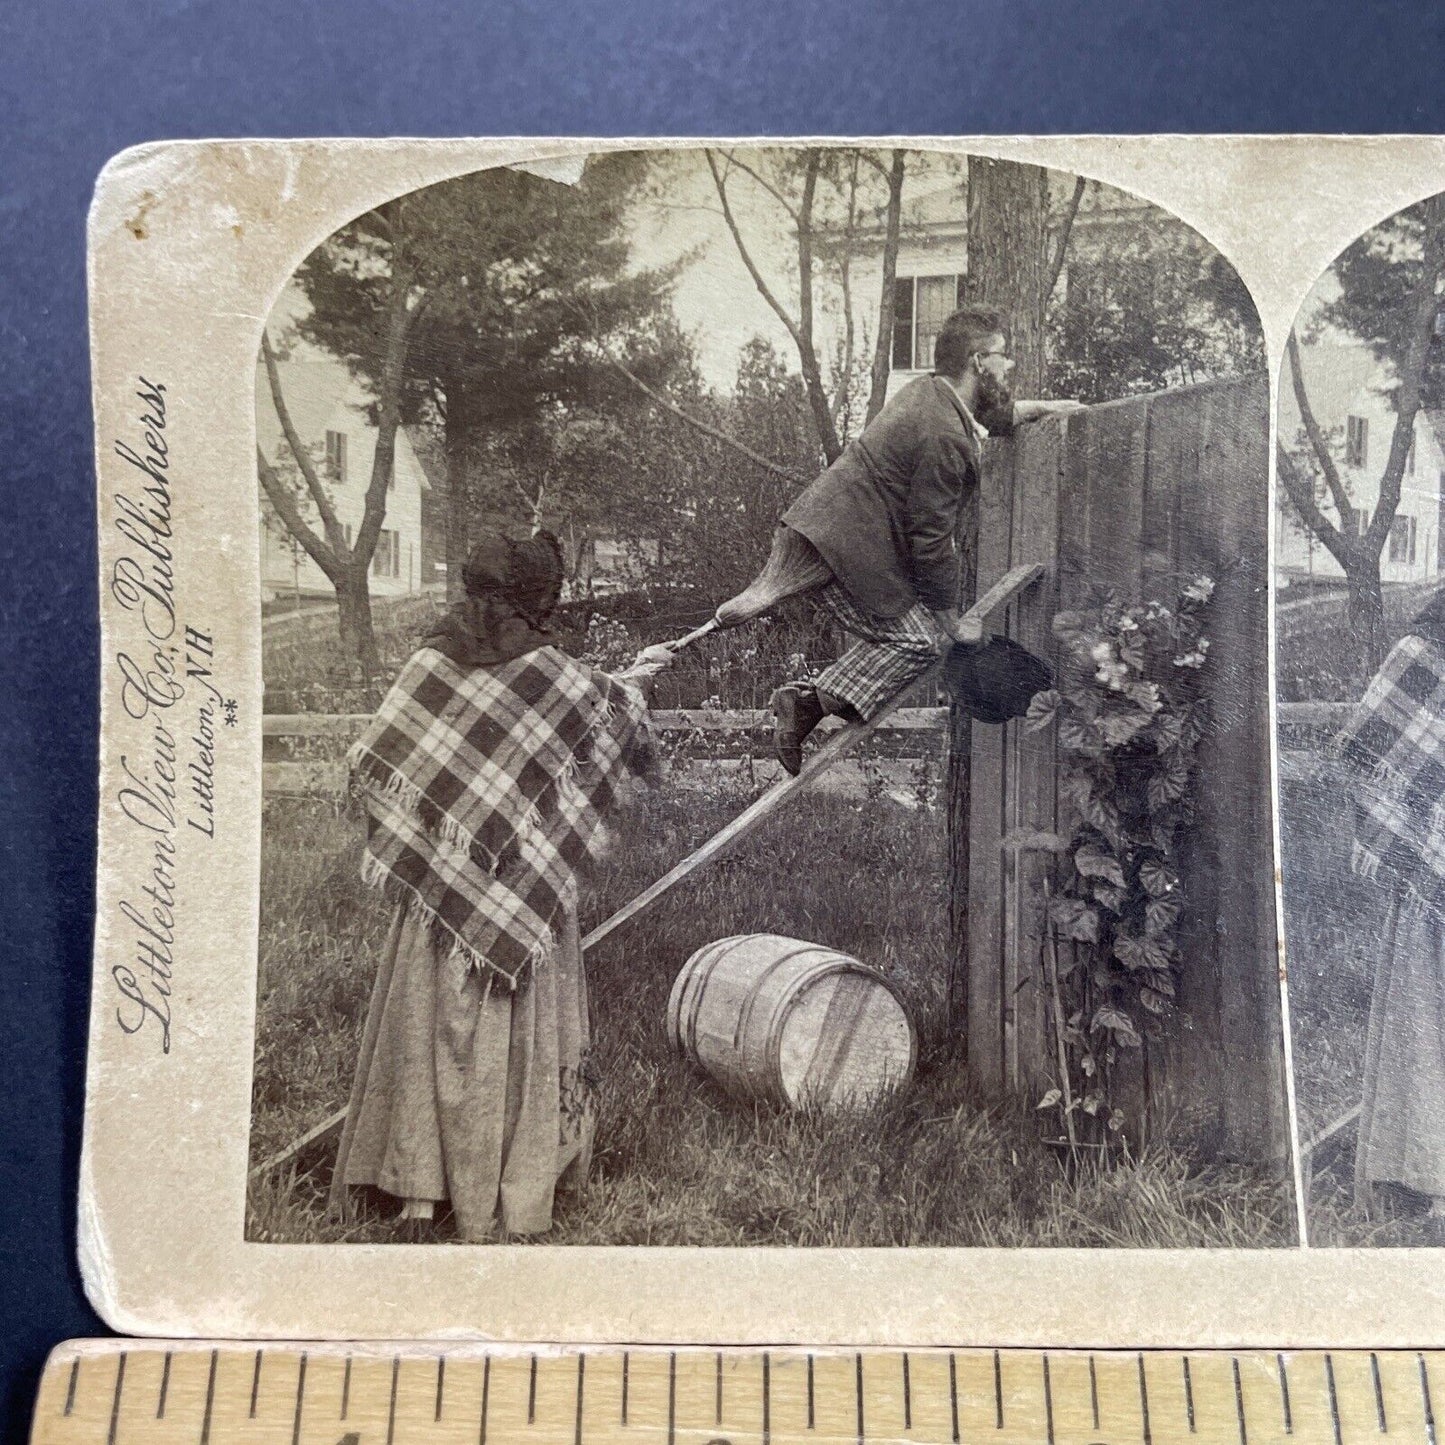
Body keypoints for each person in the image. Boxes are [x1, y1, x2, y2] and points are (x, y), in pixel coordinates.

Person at [329, 531, 673, 1241]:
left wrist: (432, 840)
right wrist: (637, 677)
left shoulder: (429, 660)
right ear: (534, 597)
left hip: (437, 890)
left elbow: (378, 758)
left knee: (429, 1014)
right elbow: (617, 716)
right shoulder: (554, 672)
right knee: (511, 1023)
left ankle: (418, 1189)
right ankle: (513, 1185)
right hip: (526, 892)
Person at [716, 305, 1080, 774]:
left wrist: (1043, 409)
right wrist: (953, 624)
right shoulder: (943, 434)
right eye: (1001, 357)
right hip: (835, 548)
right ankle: (805, 704)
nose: (1007, 366)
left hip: (830, 535)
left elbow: (990, 412)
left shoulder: (931, 392)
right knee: (921, 643)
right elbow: (930, 540)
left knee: (914, 637)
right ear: (976, 362)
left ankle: (806, 702)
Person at [1336, 589, 1445, 1233]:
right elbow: (1372, 753)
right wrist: (1398, 834)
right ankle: (1425, 1169)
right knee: (1423, 1011)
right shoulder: (1420, 651)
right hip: (1429, 874)